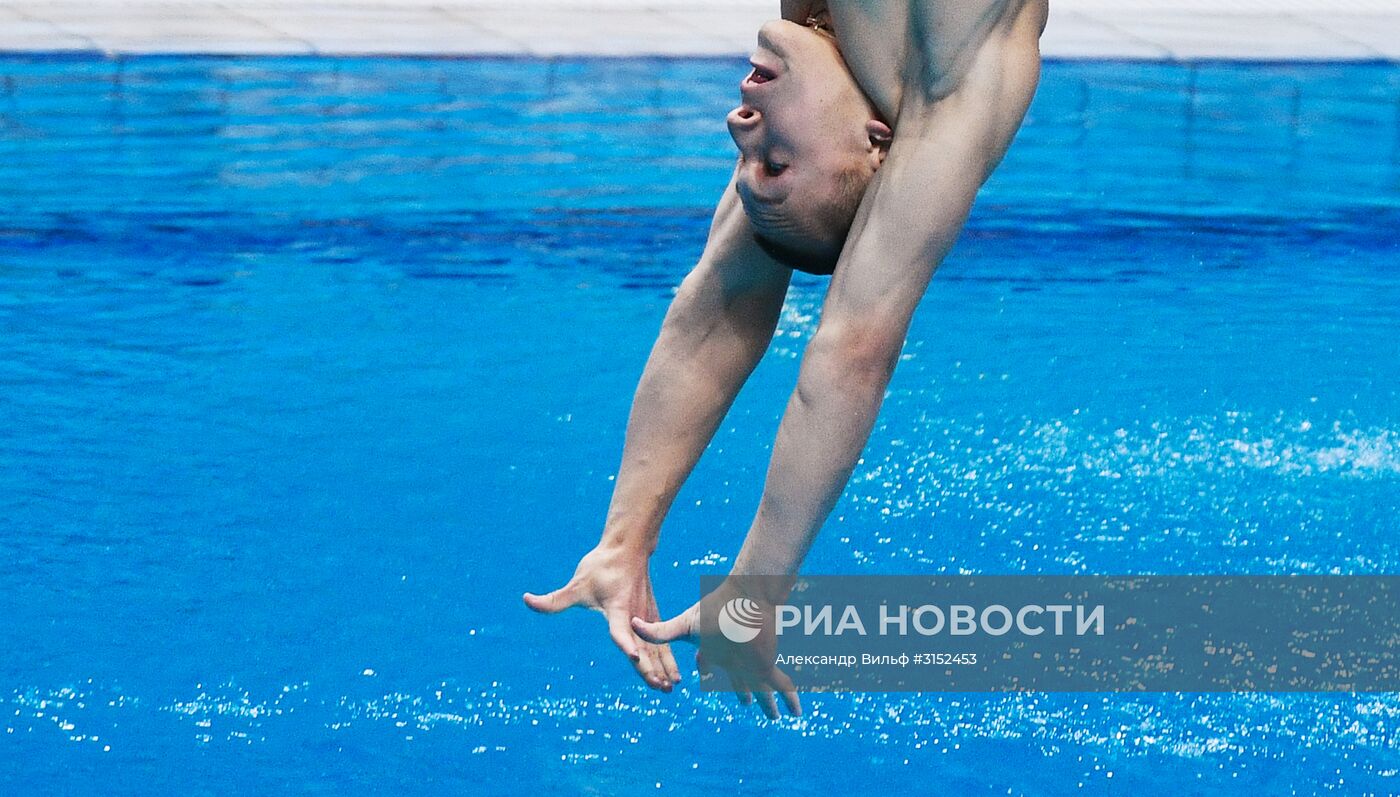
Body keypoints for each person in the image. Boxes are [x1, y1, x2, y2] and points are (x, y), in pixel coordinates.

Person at [524, 0, 1048, 719]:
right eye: (774, 161)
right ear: (877, 143)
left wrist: (624, 540)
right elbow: (853, 347)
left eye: (753, 160)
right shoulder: (955, 75)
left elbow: (718, 305)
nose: (739, 128)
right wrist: (754, 593)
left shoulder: (828, 77)